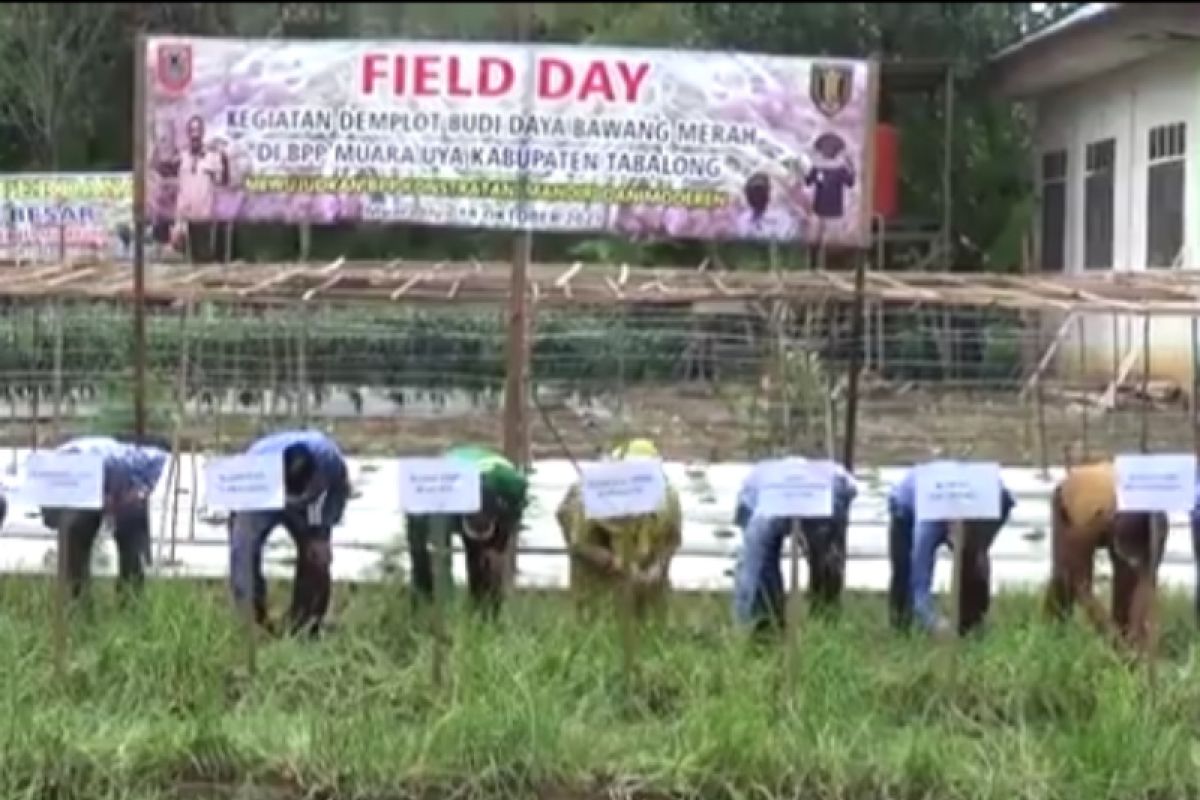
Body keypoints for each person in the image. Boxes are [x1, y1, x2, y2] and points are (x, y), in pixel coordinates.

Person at [227, 429, 351, 638]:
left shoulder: (329, 460)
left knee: (317, 557)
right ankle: (252, 620)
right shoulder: (256, 462)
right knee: (243, 550)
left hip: (307, 508)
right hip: (263, 495)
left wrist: (324, 529)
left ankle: (306, 623)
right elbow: (237, 500)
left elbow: (338, 493)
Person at [555, 438, 682, 620]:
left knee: (649, 624)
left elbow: (671, 538)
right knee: (598, 618)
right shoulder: (590, 496)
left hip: (648, 575)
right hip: (599, 573)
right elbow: (580, 542)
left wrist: (658, 568)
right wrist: (616, 564)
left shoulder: (669, 498)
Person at [887, 463, 1016, 637]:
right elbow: (919, 582)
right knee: (905, 572)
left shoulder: (995, 499)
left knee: (974, 562)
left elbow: (981, 547)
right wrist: (934, 623)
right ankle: (902, 628)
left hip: (961, 491)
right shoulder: (928, 524)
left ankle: (972, 625)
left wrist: (976, 548)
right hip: (905, 507)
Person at [1046, 460, 1165, 648]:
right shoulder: (1086, 516)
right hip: (1083, 501)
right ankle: (1054, 632)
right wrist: (1112, 639)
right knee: (1065, 577)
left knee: (1129, 581)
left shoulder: (1154, 520)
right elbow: (1081, 585)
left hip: (1120, 508)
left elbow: (1146, 582)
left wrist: (1137, 633)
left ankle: (1127, 634)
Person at [731, 458, 858, 634]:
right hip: (821, 491)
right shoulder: (835, 475)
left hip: (809, 491)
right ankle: (825, 623)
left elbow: (750, 564)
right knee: (826, 563)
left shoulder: (754, 480)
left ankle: (763, 629)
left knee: (759, 567)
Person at [39, 434, 171, 602]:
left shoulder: (151, 458)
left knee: (128, 536)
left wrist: (116, 499)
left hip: (104, 475)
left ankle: (85, 600)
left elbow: (137, 488)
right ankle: (124, 598)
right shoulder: (57, 468)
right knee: (76, 535)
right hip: (97, 477)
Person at [406, 444, 530, 618]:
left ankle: (486, 614)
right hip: (442, 479)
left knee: (484, 562)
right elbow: (417, 530)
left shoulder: (512, 486)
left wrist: (499, 547)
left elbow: (514, 514)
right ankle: (425, 609)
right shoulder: (439, 498)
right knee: (426, 558)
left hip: (491, 477)